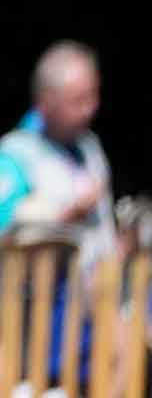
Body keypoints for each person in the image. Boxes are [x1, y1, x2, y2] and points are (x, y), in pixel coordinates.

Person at [0, 41, 118, 268]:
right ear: (46, 103)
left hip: (94, 298)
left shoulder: (90, 147)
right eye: (78, 101)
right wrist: (67, 219)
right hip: (38, 301)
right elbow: (5, 244)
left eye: (93, 95)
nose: (90, 109)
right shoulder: (15, 157)